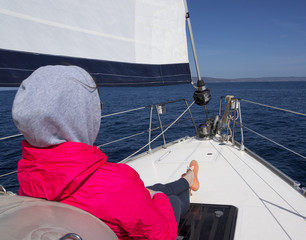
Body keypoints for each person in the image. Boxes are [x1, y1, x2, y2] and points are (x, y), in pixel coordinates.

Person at [12, 65, 200, 240]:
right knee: (172, 200)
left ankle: (188, 179)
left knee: (152, 190)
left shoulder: (27, 177)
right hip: (144, 219)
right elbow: (163, 234)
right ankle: (188, 186)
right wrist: (157, 198)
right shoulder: (118, 183)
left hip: (118, 204)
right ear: (81, 117)